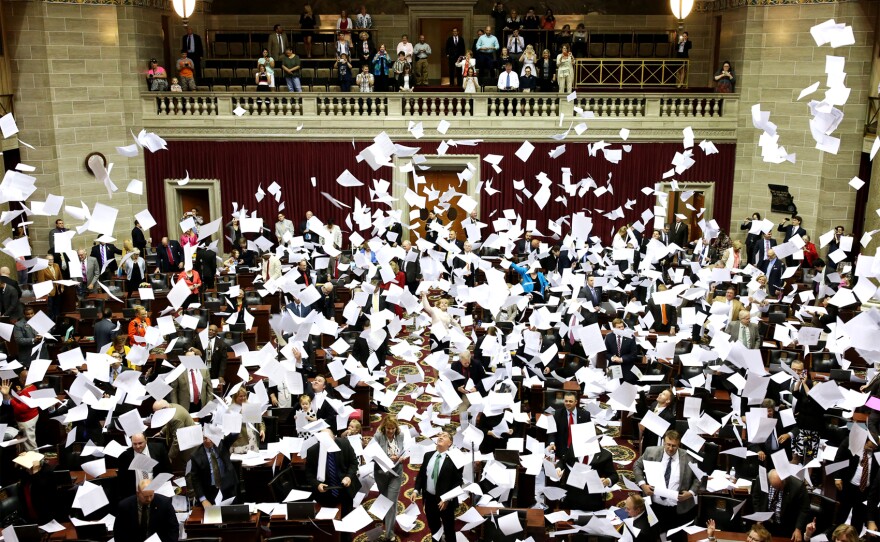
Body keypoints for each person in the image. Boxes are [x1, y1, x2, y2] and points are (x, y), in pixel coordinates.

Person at [633, 430, 701, 541]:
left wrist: (691, 493)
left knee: (674, 538)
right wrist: (643, 485)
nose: (670, 448)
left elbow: (699, 478)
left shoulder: (689, 457)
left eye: (674, 446)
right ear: (664, 442)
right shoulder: (651, 452)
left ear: (679, 444)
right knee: (652, 536)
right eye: (668, 445)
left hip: (677, 508)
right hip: (654, 505)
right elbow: (637, 466)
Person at [304, 428, 362, 539]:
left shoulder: (344, 444)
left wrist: (348, 476)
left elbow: (354, 463)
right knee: (329, 528)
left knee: (346, 525)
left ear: (334, 438)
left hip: (345, 490)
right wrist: (317, 484)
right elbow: (309, 474)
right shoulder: (312, 451)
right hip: (325, 493)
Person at [413, 431, 463, 541]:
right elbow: (421, 475)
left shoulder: (455, 459)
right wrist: (416, 490)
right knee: (434, 527)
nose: (441, 437)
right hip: (429, 499)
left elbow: (458, 482)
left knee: (449, 529)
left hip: (445, 501)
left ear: (449, 443)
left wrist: (447, 499)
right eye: (440, 435)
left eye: (445, 436)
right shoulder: (428, 455)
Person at [751, 468, 810, 540]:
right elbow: (756, 498)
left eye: (778, 487)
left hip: (785, 525)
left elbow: (804, 509)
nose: (776, 489)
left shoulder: (797, 486)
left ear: (784, 481)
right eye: (773, 487)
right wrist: (759, 516)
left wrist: (798, 529)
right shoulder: (761, 479)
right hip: (765, 524)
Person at [189, 426, 240, 507]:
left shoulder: (221, 443)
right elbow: (195, 479)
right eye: (205, 438)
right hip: (210, 491)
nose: (208, 441)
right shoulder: (196, 455)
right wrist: (203, 499)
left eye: (210, 437)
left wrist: (235, 420)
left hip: (228, 487)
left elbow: (233, 435)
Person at [115, 479, 179, 542]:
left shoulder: (164, 503)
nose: (149, 499)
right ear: (138, 493)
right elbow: (119, 532)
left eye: (151, 495)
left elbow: (173, 528)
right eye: (145, 496)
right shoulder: (124, 506)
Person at [373, 415, 405, 541]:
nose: (390, 431)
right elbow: (373, 455)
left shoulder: (400, 435)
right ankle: (387, 520)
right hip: (381, 473)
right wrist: (386, 458)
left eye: (393, 428)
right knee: (384, 498)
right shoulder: (378, 436)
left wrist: (401, 457)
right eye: (388, 428)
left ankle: (388, 533)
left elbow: (404, 450)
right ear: (384, 427)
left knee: (391, 501)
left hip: (396, 473)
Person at [117, 432, 172, 497]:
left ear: (146, 440)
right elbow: (122, 479)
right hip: (136, 494)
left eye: (140, 443)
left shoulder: (159, 449)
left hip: (156, 492)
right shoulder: (125, 456)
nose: (137, 446)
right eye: (134, 444)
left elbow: (167, 470)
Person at [549, 391, 590, 456]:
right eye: (566, 401)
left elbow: (588, 433)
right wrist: (552, 443)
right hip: (562, 450)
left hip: (579, 450)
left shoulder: (585, 415)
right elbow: (552, 432)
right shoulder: (557, 414)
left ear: (576, 402)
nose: (568, 403)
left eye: (570, 401)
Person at [171, 349, 213, 413]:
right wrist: (176, 407)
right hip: (185, 406)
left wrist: (209, 405)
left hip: (201, 404)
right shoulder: (178, 371)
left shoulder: (204, 370)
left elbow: (209, 388)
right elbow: (173, 391)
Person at [35, 253, 63, 320]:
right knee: (50, 308)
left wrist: (62, 287)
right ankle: (51, 322)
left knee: (57, 306)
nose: (51, 261)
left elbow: (60, 277)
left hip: (57, 290)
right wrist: (45, 292)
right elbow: (41, 281)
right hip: (48, 291)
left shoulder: (56, 265)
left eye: (52, 259)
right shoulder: (42, 268)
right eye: (49, 260)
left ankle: (57, 320)